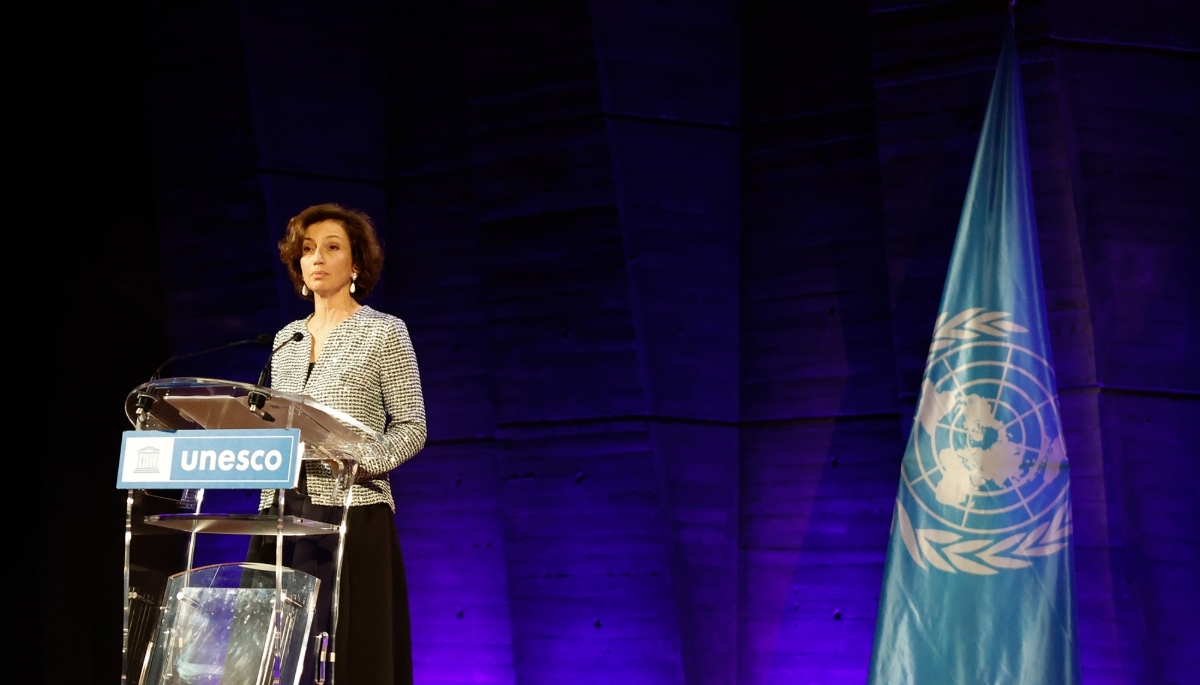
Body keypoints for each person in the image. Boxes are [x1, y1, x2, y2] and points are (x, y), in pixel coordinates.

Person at [247, 203, 426, 685]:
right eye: (308, 250)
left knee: (347, 651)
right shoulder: (285, 340)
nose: (317, 259)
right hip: (281, 507)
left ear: (357, 264)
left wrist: (357, 461)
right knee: (276, 653)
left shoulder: (384, 331)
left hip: (352, 509)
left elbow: (412, 426)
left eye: (331, 248)